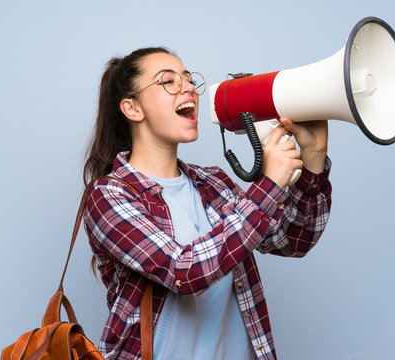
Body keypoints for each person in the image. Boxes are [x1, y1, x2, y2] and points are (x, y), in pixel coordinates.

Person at [83, 47, 332, 360]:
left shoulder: (213, 183)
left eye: (188, 79)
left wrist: (313, 160)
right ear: (132, 109)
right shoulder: (109, 196)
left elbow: (293, 240)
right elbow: (183, 271)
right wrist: (268, 186)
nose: (188, 87)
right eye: (168, 82)